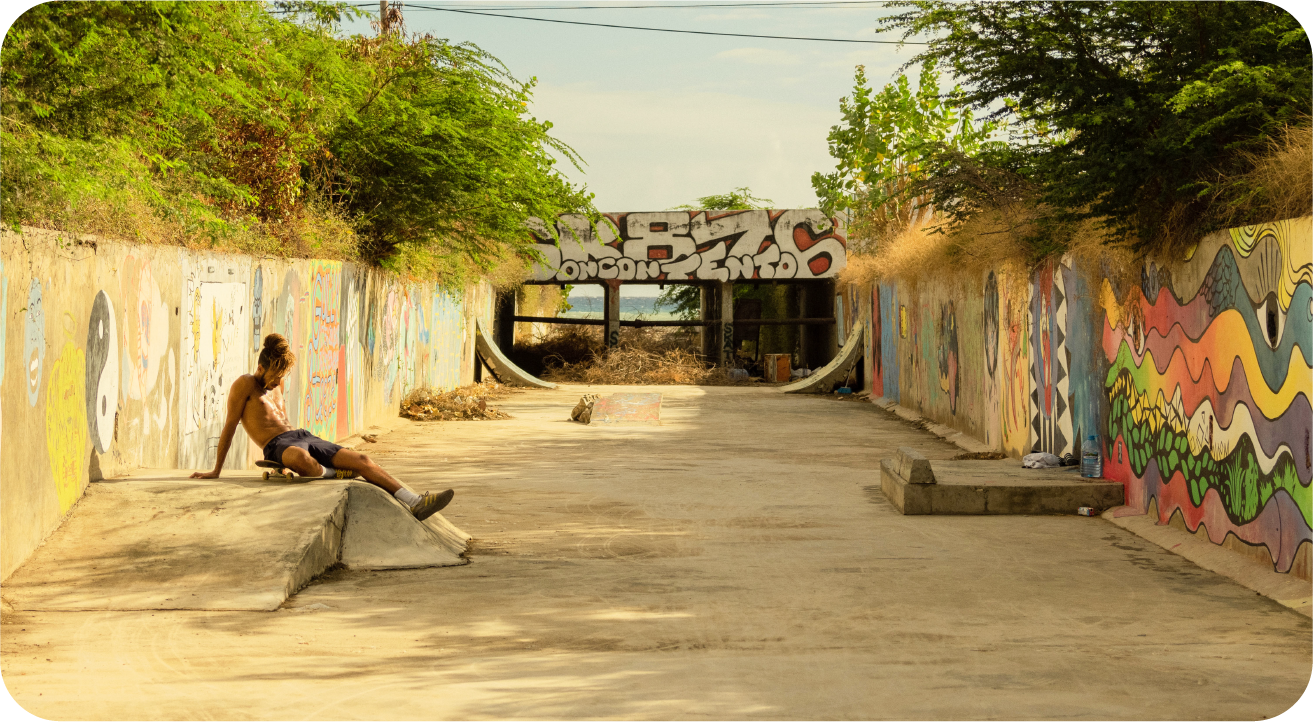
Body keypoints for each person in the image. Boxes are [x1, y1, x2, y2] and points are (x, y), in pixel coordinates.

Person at [190, 333, 454, 521]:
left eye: (280, 378)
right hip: (277, 446)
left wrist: (279, 385)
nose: (276, 383)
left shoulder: (278, 383)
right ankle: (333, 473)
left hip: (302, 435)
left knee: (362, 458)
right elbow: (229, 426)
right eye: (273, 377)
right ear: (261, 367)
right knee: (300, 458)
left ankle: (415, 502)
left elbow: (283, 414)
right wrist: (216, 470)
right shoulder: (245, 384)